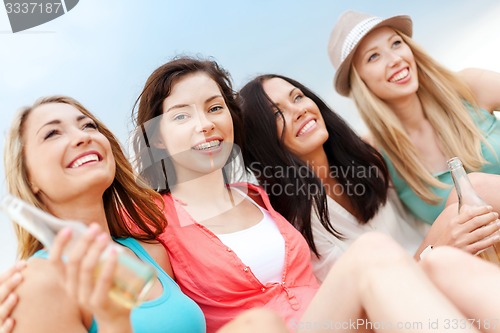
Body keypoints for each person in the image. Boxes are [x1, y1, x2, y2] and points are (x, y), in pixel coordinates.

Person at [130, 56, 500, 333]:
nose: (205, 123)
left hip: (339, 320)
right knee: (376, 252)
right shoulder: (154, 220)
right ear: (158, 138)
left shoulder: (260, 196)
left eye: (215, 108)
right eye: (182, 116)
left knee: (442, 261)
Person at [237, 74, 500, 281]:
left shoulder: (365, 160)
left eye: (298, 97)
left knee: (470, 190)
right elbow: (363, 307)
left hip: (451, 268)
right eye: (276, 113)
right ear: (263, 139)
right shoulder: (292, 221)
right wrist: (433, 250)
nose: (299, 110)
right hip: (402, 307)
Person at [2, 96, 206, 332]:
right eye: (52, 134)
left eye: (88, 126)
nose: (83, 137)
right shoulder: (37, 284)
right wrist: (113, 321)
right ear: (29, 177)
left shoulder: (151, 252)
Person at [327, 11, 500, 225]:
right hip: (483, 257)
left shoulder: (469, 86)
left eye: (396, 43)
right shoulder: (376, 154)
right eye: (373, 56)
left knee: (475, 186)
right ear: (359, 81)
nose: (395, 59)